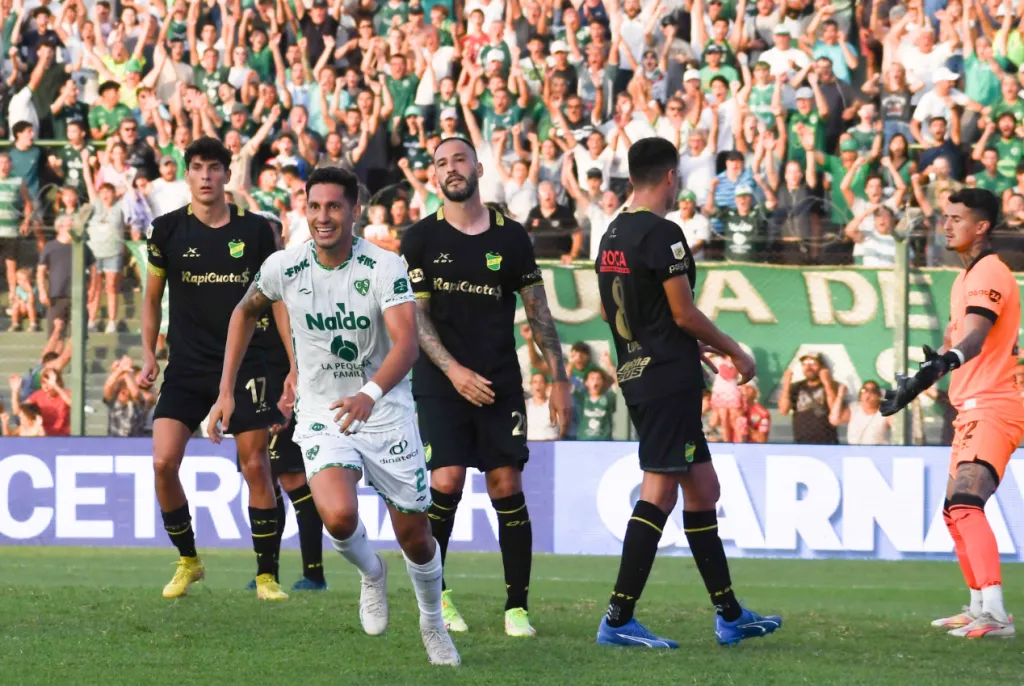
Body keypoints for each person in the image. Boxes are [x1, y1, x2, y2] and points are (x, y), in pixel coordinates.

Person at [209, 166, 460, 666]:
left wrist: (369, 392)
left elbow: (408, 346)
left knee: (416, 534)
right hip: (323, 410)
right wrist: (225, 393)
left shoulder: (385, 267)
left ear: (354, 211)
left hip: (385, 411)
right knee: (339, 516)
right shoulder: (285, 266)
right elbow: (244, 311)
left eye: (334, 207)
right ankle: (372, 574)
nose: (323, 217)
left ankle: (432, 621)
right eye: (315, 206)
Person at [593, 137, 780, 649]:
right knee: (659, 490)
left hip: (640, 370)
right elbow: (683, 312)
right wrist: (735, 352)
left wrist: (674, 347)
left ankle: (730, 614)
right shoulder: (665, 233)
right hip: (666, 379)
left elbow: (612, 314)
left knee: (703, 490)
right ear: (671, 177)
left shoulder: (611, 234)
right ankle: (618, 618)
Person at [401, 136, 572, 637]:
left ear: (478, 167)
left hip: (499, 381)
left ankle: (516, 607)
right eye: (440, 164)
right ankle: (438, 599)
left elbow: (539, 314)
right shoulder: (420, 239)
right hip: (440, 382)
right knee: (447, 480)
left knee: (506, 485)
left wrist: (559, 379)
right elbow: (418, 320)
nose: (451, 169)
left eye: (459, 160)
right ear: (434, 176)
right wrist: (454, 371)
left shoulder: (512, 238)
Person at [139, 137, 287, 602]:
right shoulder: (165, 230)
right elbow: (150, 298)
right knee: (163, 461)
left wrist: (292, 365)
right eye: (198, 167)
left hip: (249, 364)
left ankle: (266, 576)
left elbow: (277, 299)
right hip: (187, 364)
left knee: (255, 464)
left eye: (214, 168)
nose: (206, 176)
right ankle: (189, 561)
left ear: (227, 174)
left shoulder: (258, 231)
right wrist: (148, 352)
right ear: (188, 175)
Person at [881, 188, 1024, 639]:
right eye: (945, 216)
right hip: (973, 404)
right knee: (952, 510)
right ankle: (980, 604)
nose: (946, 224)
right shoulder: (964, 278)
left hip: (994, 403)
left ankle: (997, 615)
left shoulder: (989, 273)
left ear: (981, 227)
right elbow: (951, 345)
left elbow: (976, 337)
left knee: (966, 503)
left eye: (957, 218)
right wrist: (917, 382)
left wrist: (946, 363)